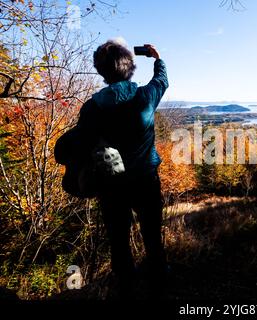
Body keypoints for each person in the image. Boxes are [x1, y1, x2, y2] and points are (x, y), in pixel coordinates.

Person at [76, 40, 169, 299]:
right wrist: (157, 58)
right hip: (145, 181)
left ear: (101, 71)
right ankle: (159, 281)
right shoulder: (145, 98)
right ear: (130, 68)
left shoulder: (92, 107)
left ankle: (126, 287)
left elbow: (84, 142)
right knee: (152, 234)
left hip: (111, 185)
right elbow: (162, 80)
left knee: (118, 240)